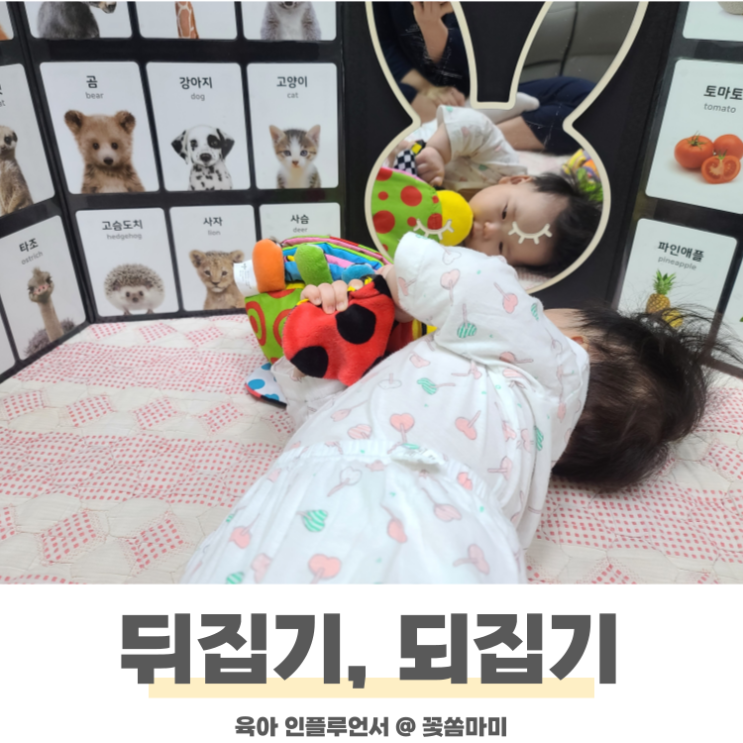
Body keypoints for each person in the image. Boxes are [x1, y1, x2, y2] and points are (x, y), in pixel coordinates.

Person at [183, 233, 727, 585]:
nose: (531, 310)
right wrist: (320, 358)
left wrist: (398, 283)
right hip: (436, 530)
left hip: (345, 491)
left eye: (543, 311)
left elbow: (478, 281)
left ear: (576, 344)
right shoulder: (522, 448)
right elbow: (334, 419)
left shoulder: (556, 363)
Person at [396, 105, 602, 272]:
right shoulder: (501, 165)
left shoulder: (455, 253)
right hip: (411, 146)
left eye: (501, 247)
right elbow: (477, 126)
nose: (490, 230)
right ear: (517, 181)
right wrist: (438, 151)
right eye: (504, 213)